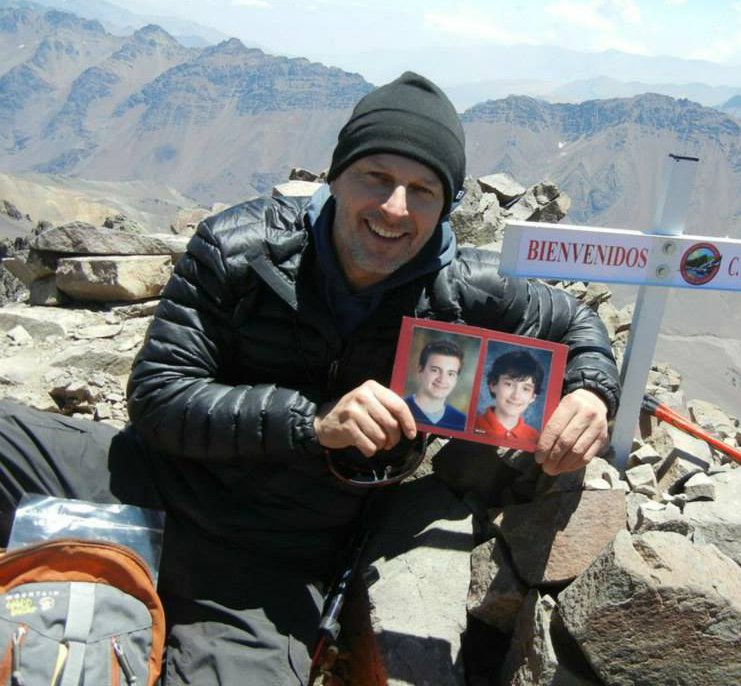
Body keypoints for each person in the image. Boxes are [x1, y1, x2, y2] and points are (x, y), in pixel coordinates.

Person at [0, 71, 620, 684]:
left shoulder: (464, 290)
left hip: (273, 557)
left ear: (446, 206)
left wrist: (592, 391)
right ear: (335, 175)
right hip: (148, 480)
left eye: (422, 190)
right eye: (376, 177)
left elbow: (577, 325)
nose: (395, 208)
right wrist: (313, 423)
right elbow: (158, 398)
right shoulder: (238, 248)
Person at [474, 349, 544, 443]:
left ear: (533, 397)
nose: (516, 396)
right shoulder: (471, 425)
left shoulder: (537, 439)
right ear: (493, 385)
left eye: (525, 389)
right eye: (509, 384)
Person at [405, 338, 468, 431]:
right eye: (435, 370)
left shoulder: (462, 422)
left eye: (450, 374)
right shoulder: (401, 407)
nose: (442, 379)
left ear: (456, 379)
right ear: (420, 369)